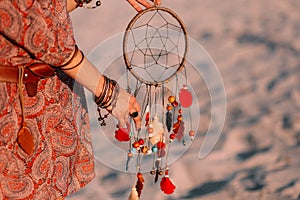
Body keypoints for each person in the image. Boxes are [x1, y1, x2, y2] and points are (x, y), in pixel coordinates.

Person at [0, 0, 161, 199]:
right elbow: (35, 28)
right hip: (12, 110)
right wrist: (107, 92)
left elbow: (49, 8)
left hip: (48, 104)